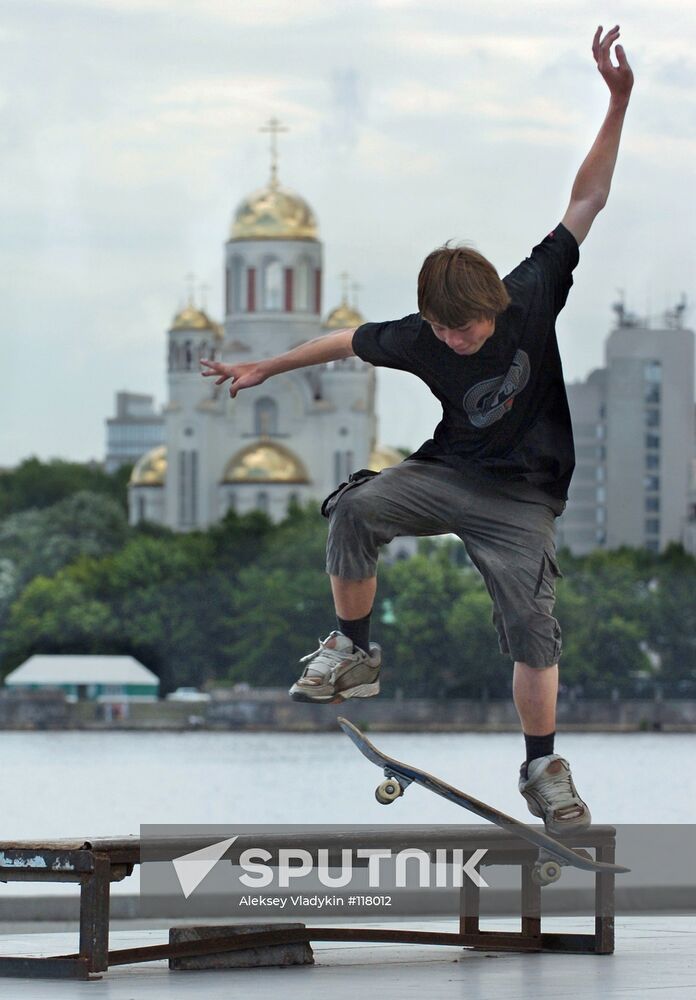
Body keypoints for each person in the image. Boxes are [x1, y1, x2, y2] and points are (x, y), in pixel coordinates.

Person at [201, 26, 633, 835]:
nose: (462, 343)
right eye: (450, 335)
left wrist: (616, 102)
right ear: (430, 321)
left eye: (473, 333)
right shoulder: (415, 333)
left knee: (534, 630)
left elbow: (587, 201)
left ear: (494, 309)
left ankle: (542, 767)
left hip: (524, 497)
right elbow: (344, 340)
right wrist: (265, 368)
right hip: (449, 474)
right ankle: (355, 650)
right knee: (356, 506)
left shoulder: (530, 292)